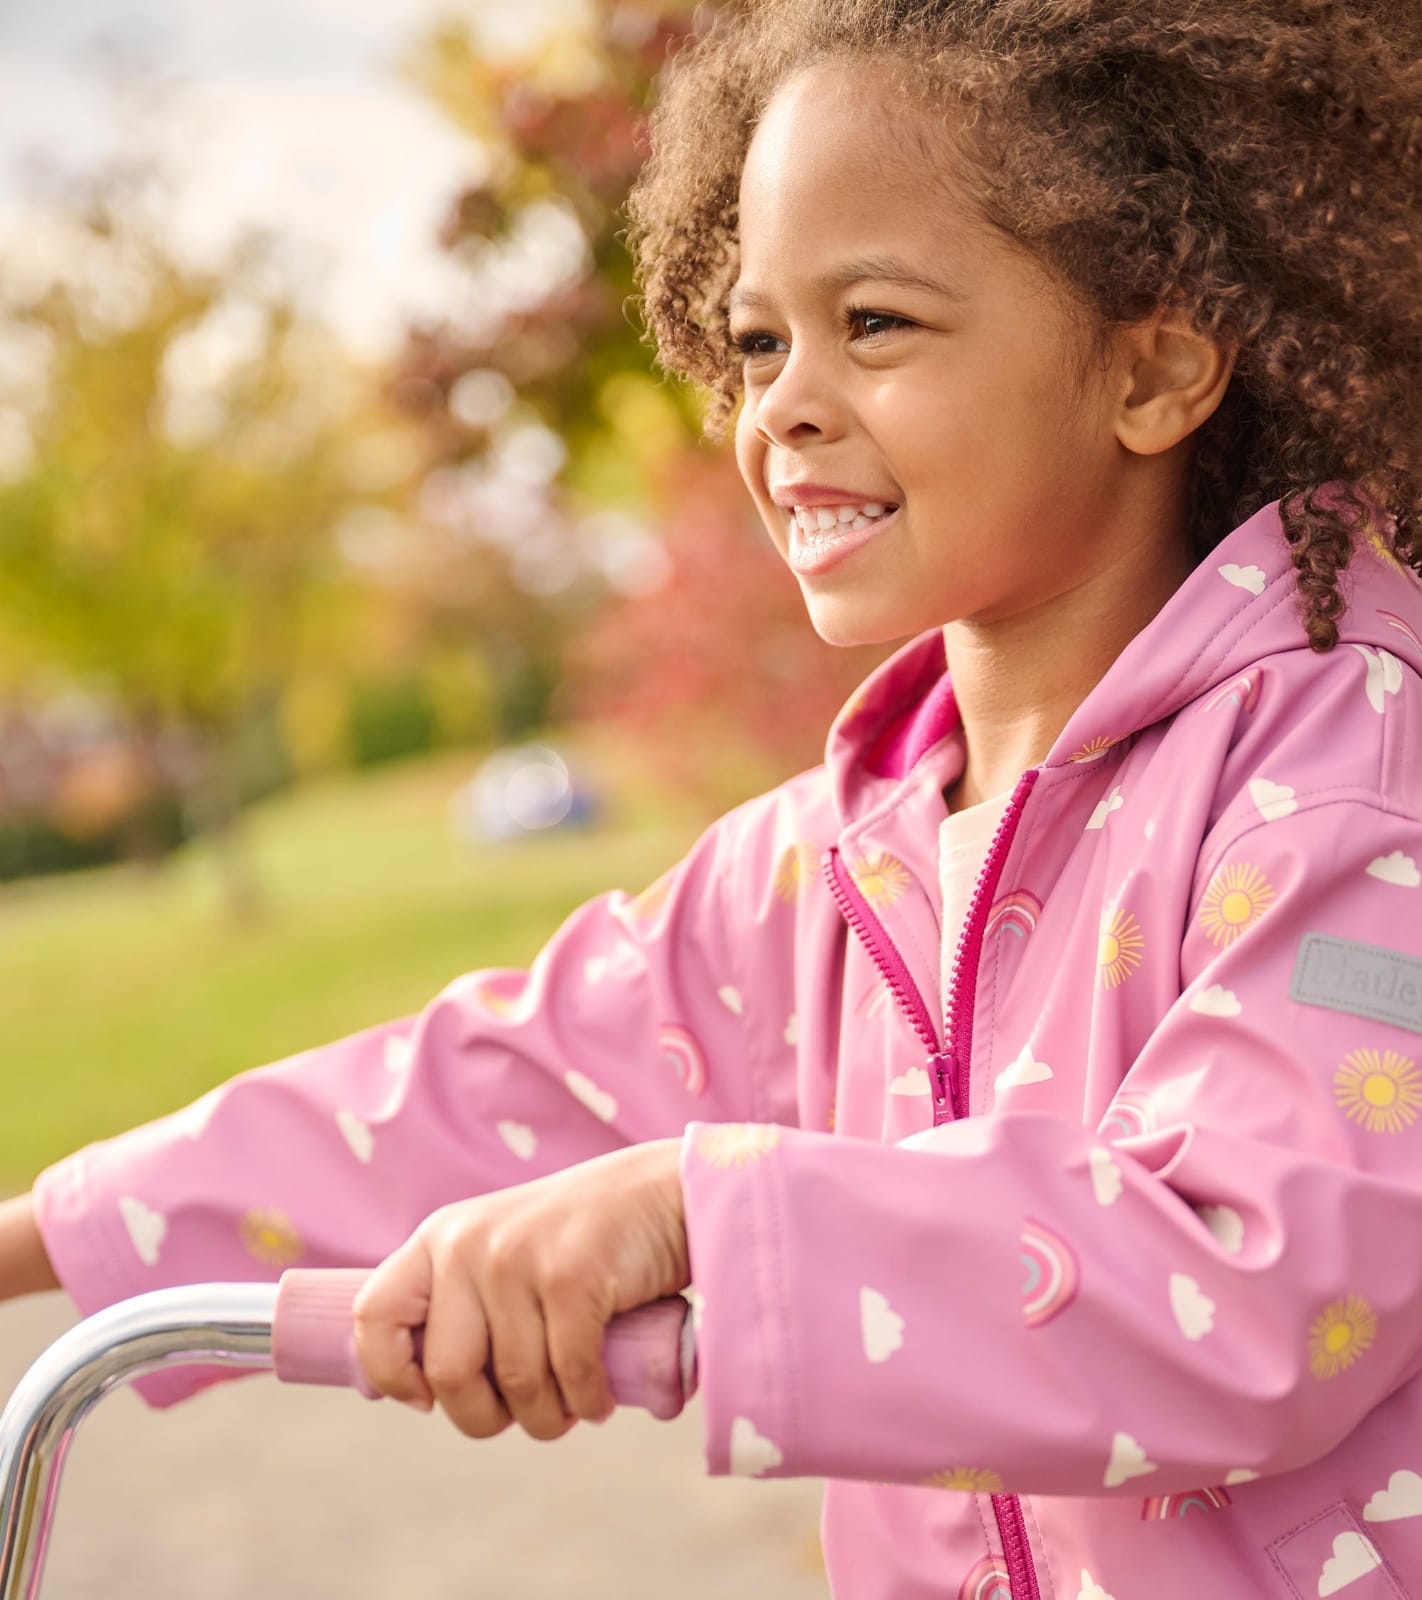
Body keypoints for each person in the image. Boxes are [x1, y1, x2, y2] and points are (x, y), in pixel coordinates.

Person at [5, 0, 1422, 1593]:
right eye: (758, 340)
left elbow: (1250, 1285)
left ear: (1152, 369)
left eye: (873, 322)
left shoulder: (1342, 787)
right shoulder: (827, 866)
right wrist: (34, 1240)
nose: (784, 406)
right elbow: (487, 1084)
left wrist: (699, 1211)